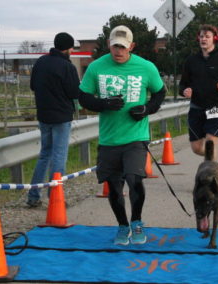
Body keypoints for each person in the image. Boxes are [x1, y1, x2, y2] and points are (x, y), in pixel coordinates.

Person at [78, 25, 165, 245]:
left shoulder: (146, 67)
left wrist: (147, 109)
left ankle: (136, 222)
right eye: (115, 46)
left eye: (123, 47)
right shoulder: (96, 67)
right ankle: (122, 225)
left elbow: (160, 92)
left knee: (134, 179)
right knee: (114, 186)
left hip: (136, 135)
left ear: (132, 47)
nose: (118, 51)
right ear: (109, 44)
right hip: (109, 138)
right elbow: (83, 97)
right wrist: (103, 104)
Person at [27, 32, 80, 208]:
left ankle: (33, 195)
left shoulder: (41, 62)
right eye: (72, 47)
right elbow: (74, 93)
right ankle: (55, 196)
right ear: (67, 48)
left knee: (45, 154)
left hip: (43, 115)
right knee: (59, 156)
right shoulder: (67, 67)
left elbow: (33, 85)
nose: (72, 50)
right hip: (62, 116)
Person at [179, 24, 218, 159]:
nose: (203, 39)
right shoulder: (191, 61)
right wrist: (184, 91)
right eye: (201, 36)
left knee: (210, 143)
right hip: (196, 108)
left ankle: (212, 176)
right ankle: (212, 160)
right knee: (197, 148)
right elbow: (182, 85)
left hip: (216, 108)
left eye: (207, 36)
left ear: (214, 38)